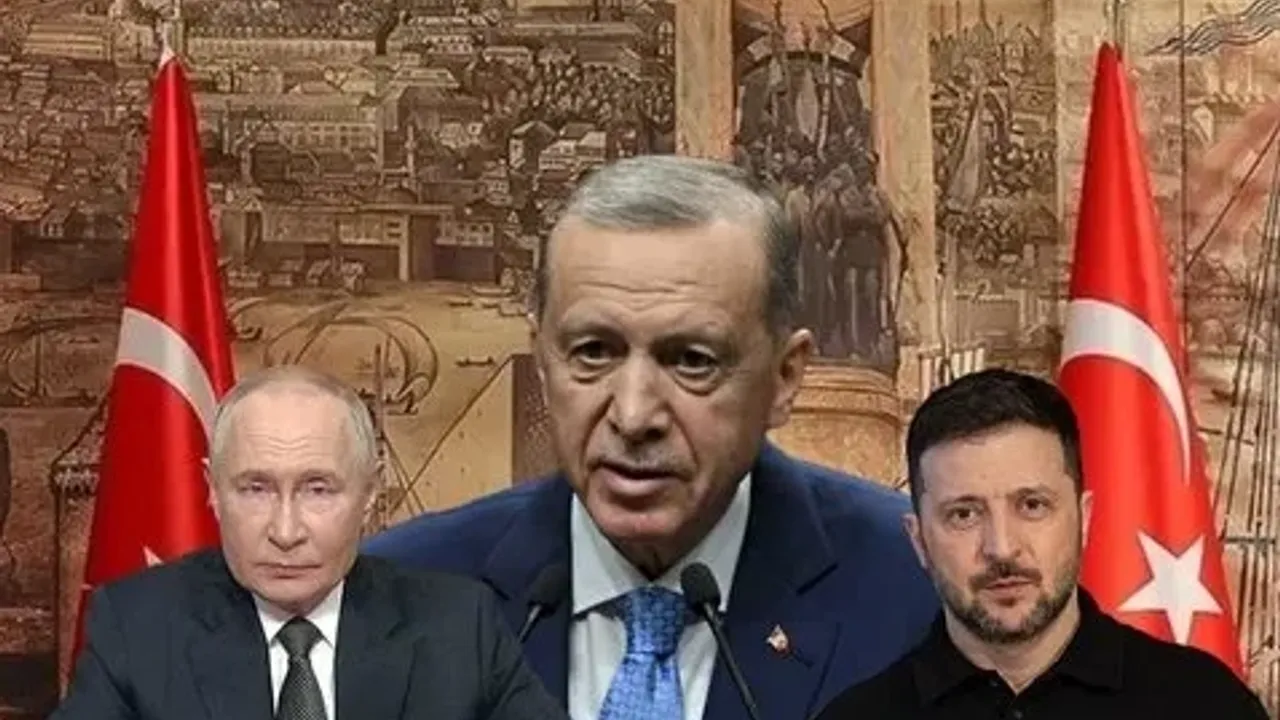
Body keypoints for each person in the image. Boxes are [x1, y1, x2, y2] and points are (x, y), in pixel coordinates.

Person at [363, 155, 939, 720]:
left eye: (692, 360)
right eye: (593, 352)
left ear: (785, 377)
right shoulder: (396, 596)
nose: (634, 416)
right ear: (542, 362)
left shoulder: (924, 588)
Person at [52, 366, 567, 720]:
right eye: (255, 489)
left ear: (369, 492)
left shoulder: (457, 626)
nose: (286, 531)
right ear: (212, 489)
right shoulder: (138, 627)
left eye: (318, 490)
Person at [813, 368, 1271, 719]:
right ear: (919, 541)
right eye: (964, 515)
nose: (1002, 548)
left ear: (1084, 518)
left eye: (1032, 505)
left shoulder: (1205, 705)